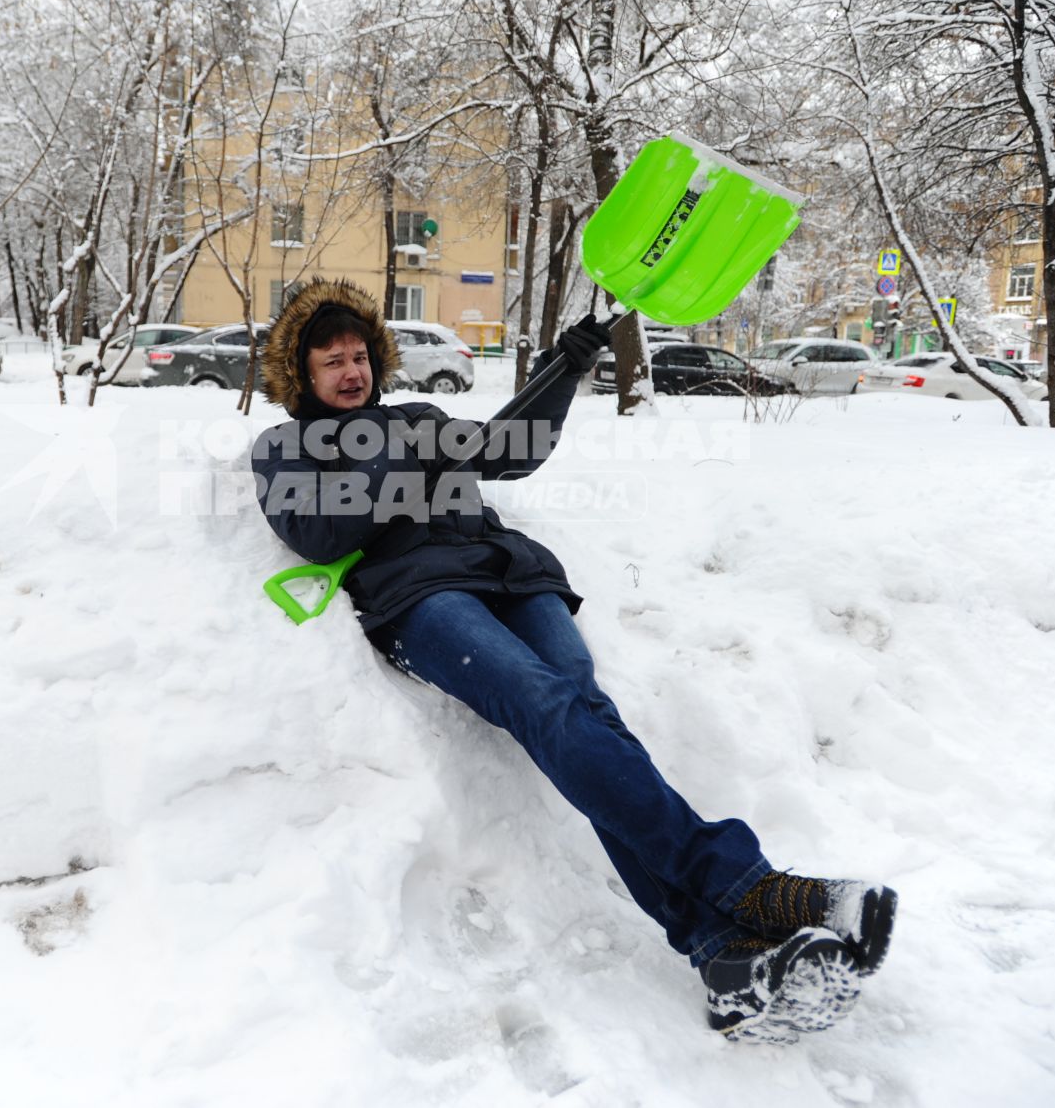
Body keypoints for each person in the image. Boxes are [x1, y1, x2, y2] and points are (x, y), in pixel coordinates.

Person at [249, 278, 897, 1044]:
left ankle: (725, 959)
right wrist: (400, 471)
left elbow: (509, 450)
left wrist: (566, 363)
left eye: (360, 355)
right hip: (421, 600)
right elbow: (318, 535)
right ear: (303, 372)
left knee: (587, 719)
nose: (352, 371)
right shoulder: (284, 448)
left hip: (511, 575)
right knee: (548, 706)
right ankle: (749, 888)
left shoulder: (417, 418)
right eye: (333, 361)